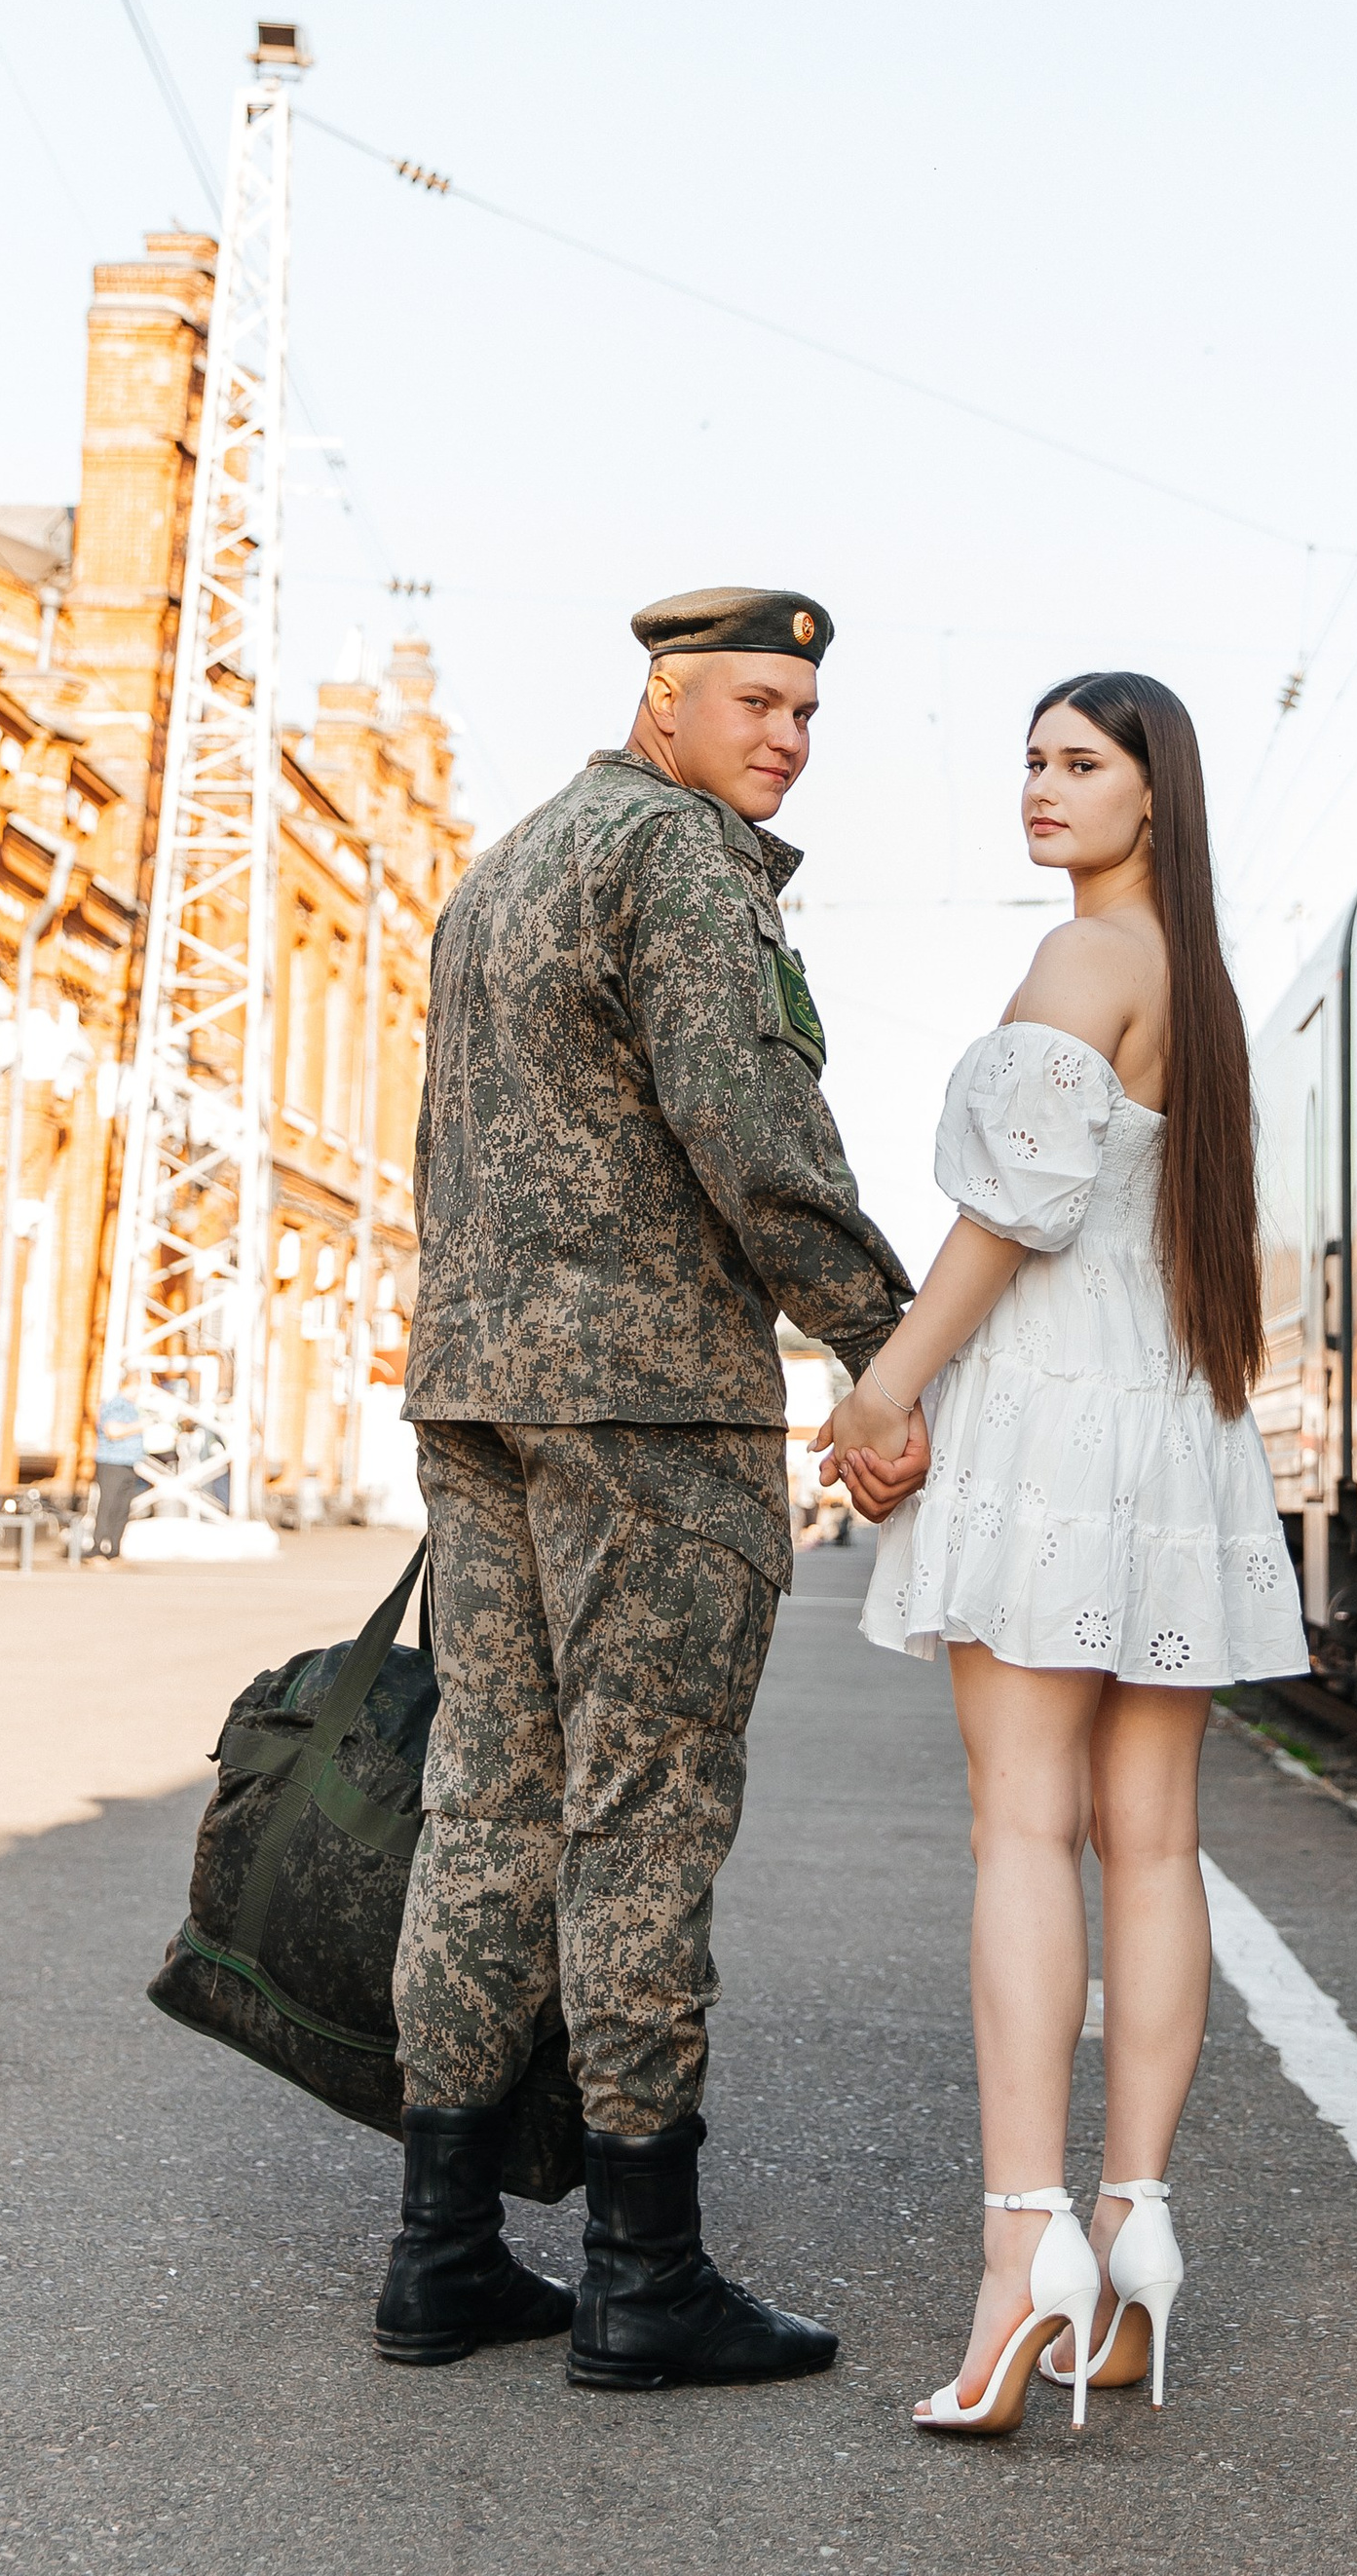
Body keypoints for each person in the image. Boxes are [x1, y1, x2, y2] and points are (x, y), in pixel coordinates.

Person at [381, 586, 925, 2391]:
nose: (785, 736)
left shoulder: (508, 862)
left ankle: (442, 2256)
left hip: (476, 1393)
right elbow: (760, 1141)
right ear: (663, 696)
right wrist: (891, 1348)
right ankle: (642, 2273)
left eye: (806, 715)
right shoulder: (684, 864)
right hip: (647, 1419)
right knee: (643, 1816)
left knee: (488, 1805)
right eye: (757, 702)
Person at [820, 670, 1306, 2437]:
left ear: (1152, 794)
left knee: (1021, 1827)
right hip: (1173, 1428)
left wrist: (883, 1390)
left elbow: (1008, 1219)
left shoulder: (1083, 966)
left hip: (1052, 1430)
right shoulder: (1203, 990)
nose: (1039, 788)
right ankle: (1131, 2232)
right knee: (1154, 1842)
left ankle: (1020, 2251)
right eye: (1029, 761)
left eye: (1079, 764)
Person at [88, 1387, 146, 1561]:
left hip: (128, 1463)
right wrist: (140, 1426)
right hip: (112, 1462)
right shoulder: (115, 1406)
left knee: (122, 1508)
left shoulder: (131, 1408)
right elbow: (112, 1431)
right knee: (109, 1504)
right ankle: (98, 1547)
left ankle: (114, 1548)